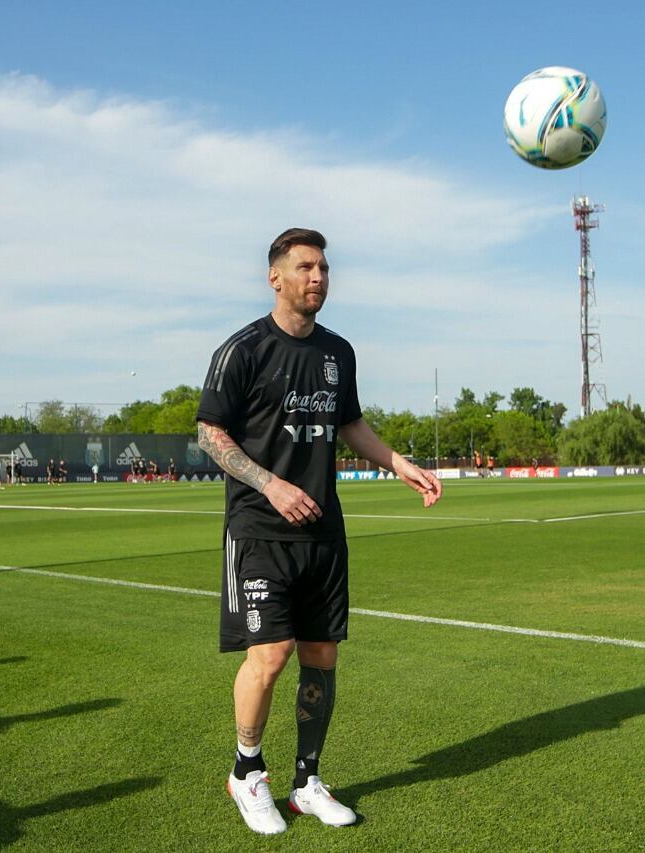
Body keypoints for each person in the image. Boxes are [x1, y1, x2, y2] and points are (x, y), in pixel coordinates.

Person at [196, 228, 442, 836]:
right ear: (275, 277)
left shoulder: (338, 352)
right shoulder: (243, 349)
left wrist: (398, 463)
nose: (319, 278)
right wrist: (271, 485)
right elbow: (211, 435)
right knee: (271, 656)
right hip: (259, 531)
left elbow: (350, 424)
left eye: (325, 268)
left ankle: (307, 782)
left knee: (321, 656)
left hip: (324, 534)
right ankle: (246, 771)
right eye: (306, 267)